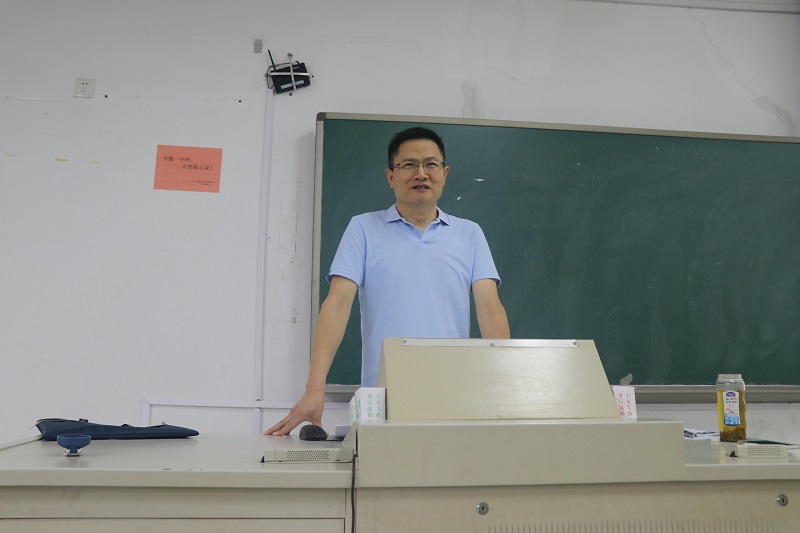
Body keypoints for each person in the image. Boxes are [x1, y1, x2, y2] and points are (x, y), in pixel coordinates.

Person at [265, 126, 509, 436]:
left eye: (431, 164)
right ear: (390, 176)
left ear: (445, 173)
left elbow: (490, 309)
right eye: (408, 165)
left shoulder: (469, 234)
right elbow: (337, 306)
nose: (421, 173)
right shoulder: (363, 229)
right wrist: (315, 389)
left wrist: (506, 384)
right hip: (383, 399)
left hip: (453, 393)